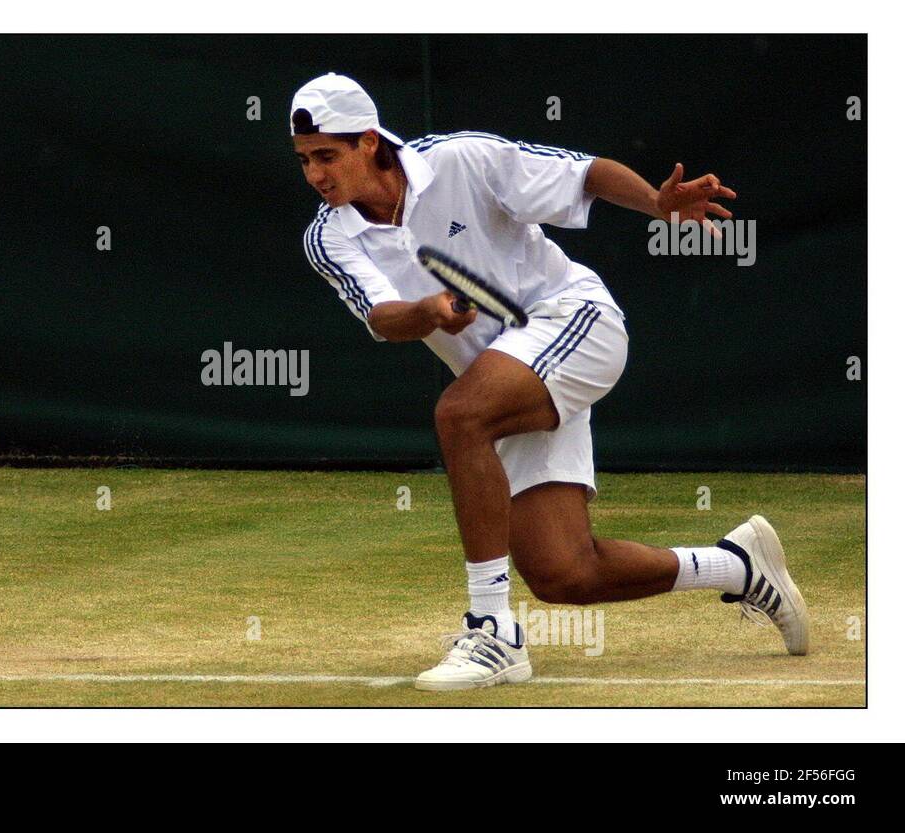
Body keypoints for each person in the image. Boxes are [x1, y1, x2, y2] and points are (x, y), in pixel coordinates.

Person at [292, 72, 808, 691]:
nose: (317, 175)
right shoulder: (328, 237)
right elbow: (381, 315)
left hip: (574, 321)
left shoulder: (463, 159)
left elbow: (584, 173)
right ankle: (735, 566)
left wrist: (657, 204)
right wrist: (427, 312)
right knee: (566, 573)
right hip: (507, 381)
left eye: (327, 155)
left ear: (369, 142)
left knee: (459, 416)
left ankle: (492, 631)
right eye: (304, 161)